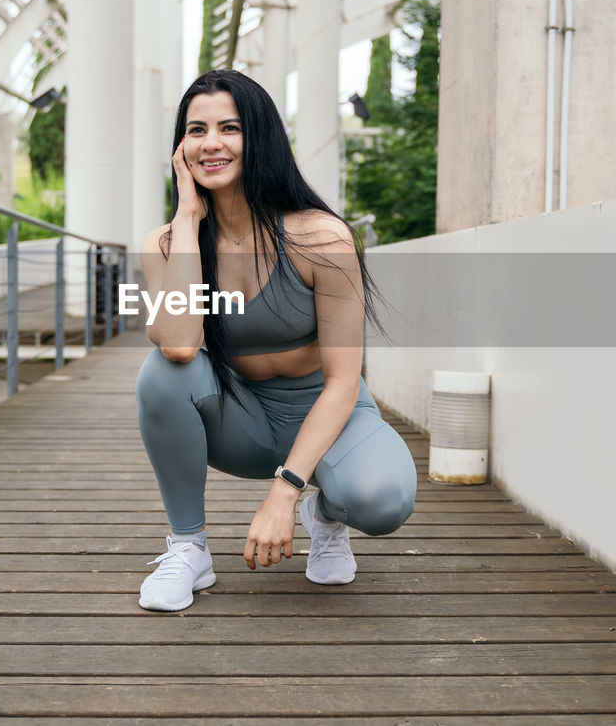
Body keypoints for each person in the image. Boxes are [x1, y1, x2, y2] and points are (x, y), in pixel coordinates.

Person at [134, 69, 417, 612]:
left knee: (384, 501)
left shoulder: (319, 238)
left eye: (229, 128)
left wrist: (286, 492)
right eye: (196, 130)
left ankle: (326, 514)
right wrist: (189, 220)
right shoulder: (168, 242)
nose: (210, 143)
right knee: (161, 373)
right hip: (245, 422)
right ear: (180, 147)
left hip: (331, 413)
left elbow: (343, 379)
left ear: (259, 136)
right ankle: (188, 548)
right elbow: (176, 345)